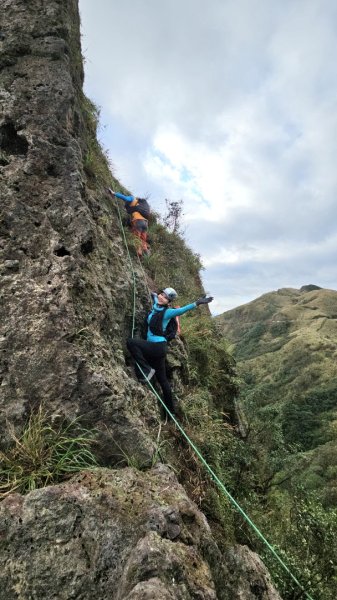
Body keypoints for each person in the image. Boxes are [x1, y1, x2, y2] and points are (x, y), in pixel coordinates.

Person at [127, 287, 213, 417]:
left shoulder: (168, 312)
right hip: (157, 348)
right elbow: (156, 297)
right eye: (162, 295)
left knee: (131, 342)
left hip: (157, 347)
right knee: (163, 380)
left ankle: (146, 370)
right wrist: (153, 294)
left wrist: (197, 303)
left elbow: (182, 310)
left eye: (165, 297)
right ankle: (171, 412)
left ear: (168, 302)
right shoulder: (157, 304)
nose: (162, 297)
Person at [108, 189, 150, 257]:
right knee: (143, 240)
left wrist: (114, 193)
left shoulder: (132, 198)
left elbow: (124, 197)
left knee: (137, 238)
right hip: (145, 223)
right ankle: (146, 254)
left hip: (138, 221)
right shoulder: (140, 205)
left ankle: (139, 254)